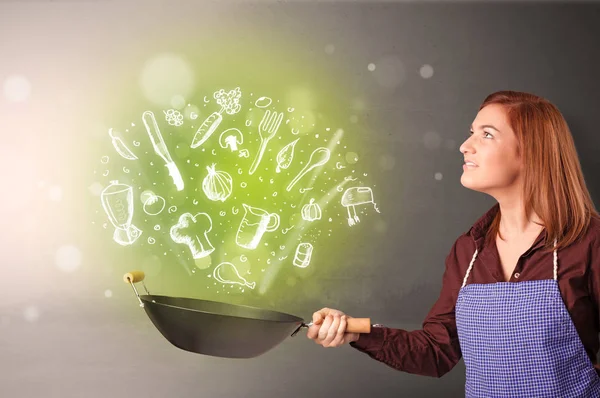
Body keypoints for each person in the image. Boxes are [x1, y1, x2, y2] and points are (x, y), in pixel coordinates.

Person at [307, 90, 600, 397]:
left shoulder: (588, 241)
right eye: (471, 133)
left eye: (486, 135)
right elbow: (436, 351)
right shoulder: (469, 251)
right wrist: (357, 332)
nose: (465, 146)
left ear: (532, 150)